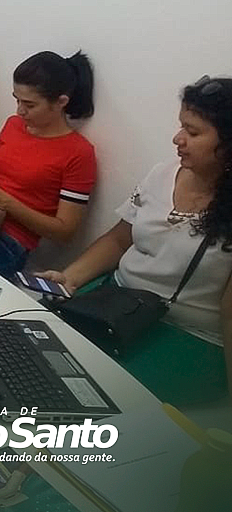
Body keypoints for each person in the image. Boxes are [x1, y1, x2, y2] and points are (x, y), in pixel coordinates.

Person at [35, 76, 232, 404]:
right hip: (115, 303)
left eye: (193, 132)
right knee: (37, 354)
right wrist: (70, 278)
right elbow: (119, 239)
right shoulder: (163, 173)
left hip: (182, 334)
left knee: (102, 401)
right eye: (181, 126)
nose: (177, 139)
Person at [0, 51, 96, 278]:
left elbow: (64, 231)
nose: (20, 111)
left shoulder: (78, 152)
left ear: (61, 102)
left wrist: (3, 201)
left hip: (10, 242)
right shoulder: (14, 125)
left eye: (29, 105)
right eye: (17, 100)